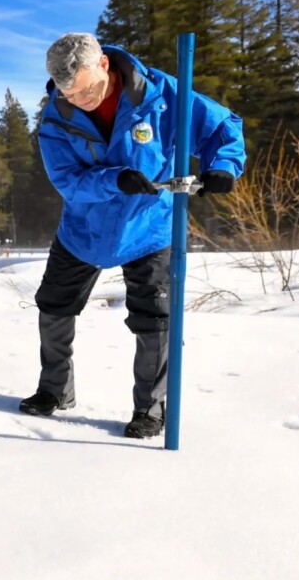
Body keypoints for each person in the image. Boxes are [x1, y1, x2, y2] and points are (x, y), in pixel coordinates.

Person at [19, 32, 244, 439]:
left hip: (148, 228)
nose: (80, 100)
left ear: (104, 64)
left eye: (86, 89)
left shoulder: (161, 95)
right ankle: (54, 390)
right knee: (53, 305)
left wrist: (224, 166)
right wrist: (114, 179)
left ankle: (150, 409)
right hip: (84, 229)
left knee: (154, 318)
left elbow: (222, 127)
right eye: (70, 94)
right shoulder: (56, 118)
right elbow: (67, 180)